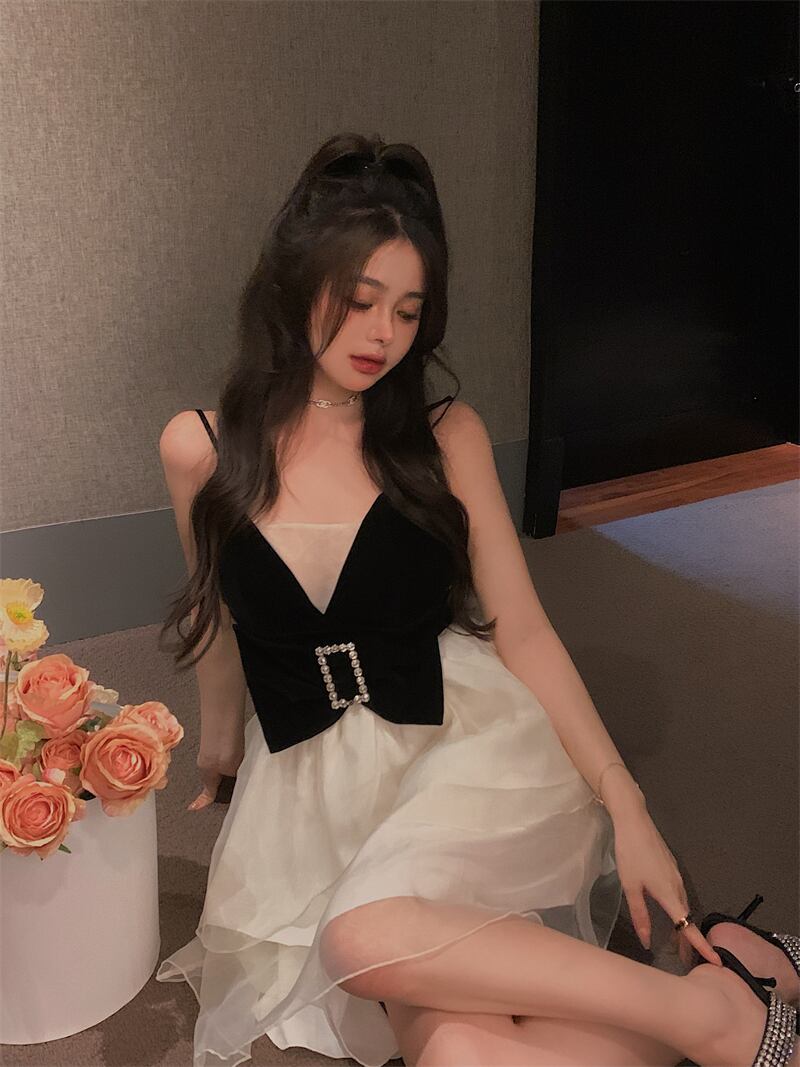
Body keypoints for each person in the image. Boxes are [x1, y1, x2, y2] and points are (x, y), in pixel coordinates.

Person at [154, 132, 799, 1067]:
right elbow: (216, 613)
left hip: (460, 743)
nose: (382, 334)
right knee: (456, 1047)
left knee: (361, 941)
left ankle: (721, 1019)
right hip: (311, 784)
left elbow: (523, 629)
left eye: (408, 311)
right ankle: (727, 984)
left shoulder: (443, 434)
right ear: (294, 283)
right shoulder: (201, 448)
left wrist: (626, 801)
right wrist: (219, 741)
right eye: (359, 300)